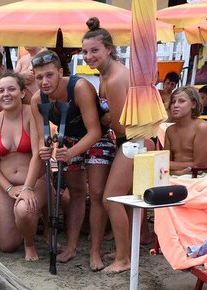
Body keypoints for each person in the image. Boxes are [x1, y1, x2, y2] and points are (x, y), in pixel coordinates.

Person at [31, 49, 104, 266]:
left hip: (96, 139)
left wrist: (71, 153)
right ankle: (71, 246)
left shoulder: (79, 88)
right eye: (38, 77)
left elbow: (95, 131)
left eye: (49, 75)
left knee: (97, 194)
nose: (44, 82)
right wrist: (43, 149)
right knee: (76, 192)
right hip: (70, 140)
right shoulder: (37, 99)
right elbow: (40, 137)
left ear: (60, 72)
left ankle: (95, 252)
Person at [82, 17, 133, 273]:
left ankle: (124, 259)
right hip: (128, 142)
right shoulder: (107, 74)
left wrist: (102, 119)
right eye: (85, 52)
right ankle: (126, 250)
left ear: (109, 49)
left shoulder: (113, 79)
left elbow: (122, 126)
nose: (89, 56)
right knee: (123, 199)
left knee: (111, 199)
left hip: (132, 142)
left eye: (94, 51)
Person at [0, 72, 46, 260]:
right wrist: (8, 188)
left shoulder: (31, 115)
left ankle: (29, 244)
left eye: (11, 89)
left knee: (23, 210)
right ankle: (26, 224)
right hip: (7, 187)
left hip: (34, 182)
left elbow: (37, 154)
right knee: (7, 246)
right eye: (1, 90)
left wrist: (27, 187)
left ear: (22, 93)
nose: (6, 94)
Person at [164, 87, 207, 176]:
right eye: (173, 102)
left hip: (201, 175)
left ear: (193, 104)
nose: (175, 105)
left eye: (181, 101)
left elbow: (199, 165)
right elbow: (164, 163)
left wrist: (168, 165)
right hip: (176, 174)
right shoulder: (169, 130)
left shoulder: (201, 127)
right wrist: (178, 172)